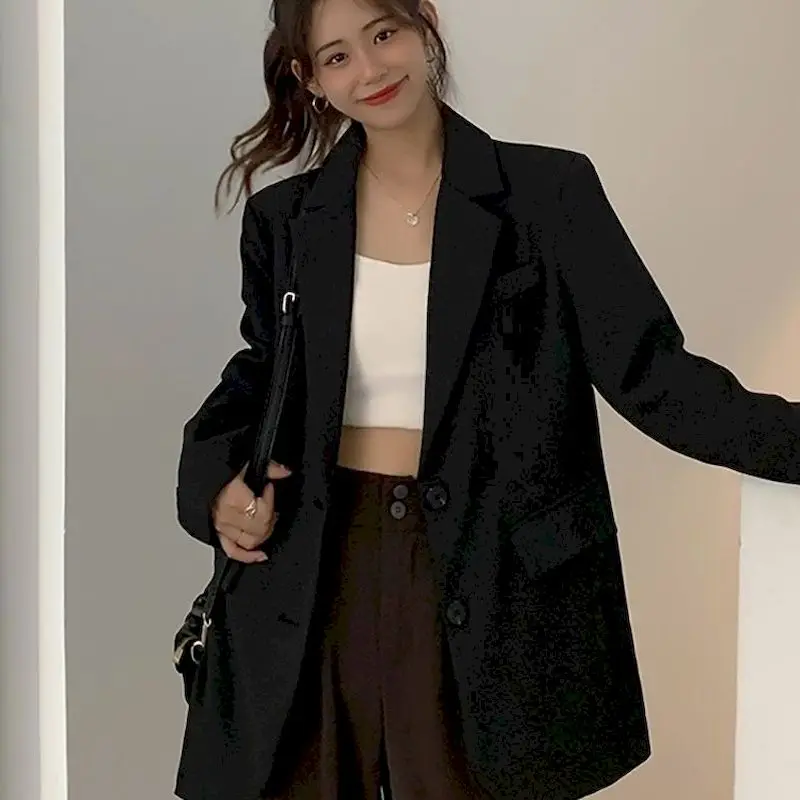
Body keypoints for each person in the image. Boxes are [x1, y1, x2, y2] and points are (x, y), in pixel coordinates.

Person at [173, 0, 800, 798]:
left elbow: (651, 372)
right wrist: (213, 488)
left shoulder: (547, 194)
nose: (370, 69)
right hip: (315, 560)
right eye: (337, 57)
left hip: (486, 566)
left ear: (424, 22)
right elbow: (259, 372)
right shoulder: (287, 219)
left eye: (384, 34)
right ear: (310, 78)